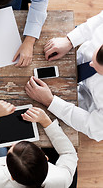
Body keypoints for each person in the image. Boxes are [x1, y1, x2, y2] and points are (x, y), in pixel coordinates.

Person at [0, 100, 78, 187]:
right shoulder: (61, 180)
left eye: (10, 150)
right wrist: (46, 122)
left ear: (11, 176)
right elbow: (69, 153)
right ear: (45, 157)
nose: (13, 144)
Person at [25, 11, 103, 141]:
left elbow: (94, 128)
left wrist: (50, 101)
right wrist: (70, 40)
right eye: (93, 58)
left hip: (84, 104)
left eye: (99, 69)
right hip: (73, 55)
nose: (90, 64)